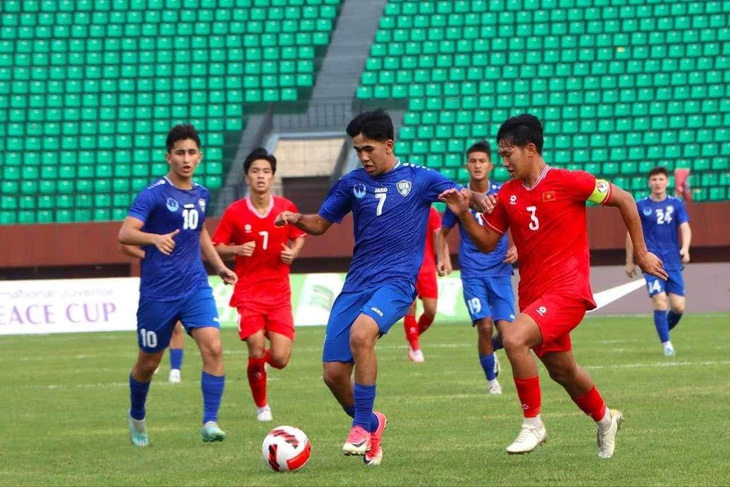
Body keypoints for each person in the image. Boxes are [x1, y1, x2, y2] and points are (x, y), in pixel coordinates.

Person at [439, 114, 666, 459]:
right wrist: (464, 214)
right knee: (565, 371)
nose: (503, 162)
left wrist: (642, 251)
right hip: (532, 295)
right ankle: (606, 419)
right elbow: (487, 243)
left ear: (530, 150)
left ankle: (534, 424)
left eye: (507, 154)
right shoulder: (508, 195)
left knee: (514, 338)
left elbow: (625, 199)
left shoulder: (570, 182)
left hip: (569, 291)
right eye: (499, 155)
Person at [274, 109, 460, 466]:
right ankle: (374, 422)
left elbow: (460, 195)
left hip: (397, 282)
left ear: (389, 145)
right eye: (358, 149)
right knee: (332, 374)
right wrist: (297, 219)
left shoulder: (419, 179)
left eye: (368, 149)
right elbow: (321, 224)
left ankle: (360, 428)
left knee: (362, 335)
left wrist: (473, 202)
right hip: (357, 282)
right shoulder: (351, 184)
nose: (362, 156)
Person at [118, 124, 238, 447]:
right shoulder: (153, 193)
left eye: (191, 153)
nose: (186, 159)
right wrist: (154, 238)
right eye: (180, 153)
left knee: (213, 346)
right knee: (148, 362)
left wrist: (220, 266)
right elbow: (125, 233)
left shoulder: (201, 194)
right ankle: (137, 415)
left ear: (200, 157)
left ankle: (210, 421)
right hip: (158, 292)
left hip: (195, 286)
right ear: (168, 156)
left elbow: (199, 232)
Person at [212, 148, 306, 422]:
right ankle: (262, 406)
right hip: (248, 293)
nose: (261, 176)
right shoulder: (235, 212)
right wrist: (238, 249)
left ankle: (257, 366)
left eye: (266, 171)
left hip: (279, 294)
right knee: (254, 344)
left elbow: (299, 234)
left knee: (279, 359)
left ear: (273, 176)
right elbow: (217, 247)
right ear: (246, 177)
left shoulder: (286, 208)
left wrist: (294, 251)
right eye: (255, 171)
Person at [437, 141, 517, 395]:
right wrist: (445, 258)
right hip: (472, 272)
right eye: (473, 161)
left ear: (490, 165)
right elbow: (442, 231)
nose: (477, 165)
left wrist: (518, 247)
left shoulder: (502, 193)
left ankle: (491, 349)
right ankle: (492, 381)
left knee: (508, 335)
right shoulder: (459, 197)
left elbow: (518, 222)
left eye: (482, 161)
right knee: (484, 325)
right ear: (467, 166)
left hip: (500, 270)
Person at [625, 166, 691, 357]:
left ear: (667, 182)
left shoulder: (676, 204)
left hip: (672, 262)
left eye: (661, 179)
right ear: (649, 183)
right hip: (651, 262)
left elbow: (685, 227)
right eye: (654, 179)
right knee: (659, 300)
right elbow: (631, 233)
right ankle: (667, 344)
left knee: (678, 307)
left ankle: (663, 330)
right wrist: (630, 261)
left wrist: (685, 248)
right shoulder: (640, 205)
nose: (657, 183)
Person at [121, 244, 186, 384]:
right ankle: (152, 361)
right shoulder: (146, 226)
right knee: (154, 325)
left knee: (176, 326)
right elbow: (124, 246)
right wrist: (146, 255)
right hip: (153, 284)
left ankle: (175, 370)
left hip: (177, 279)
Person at [403, 205, 444, 363]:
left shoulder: (431, 211)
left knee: (431, 311)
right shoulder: (401, 208)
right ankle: (415, 348)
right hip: (405, 266)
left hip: (427, 267)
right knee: (410, 306)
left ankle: (412, 336)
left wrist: (442, 259)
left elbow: (439, 235)